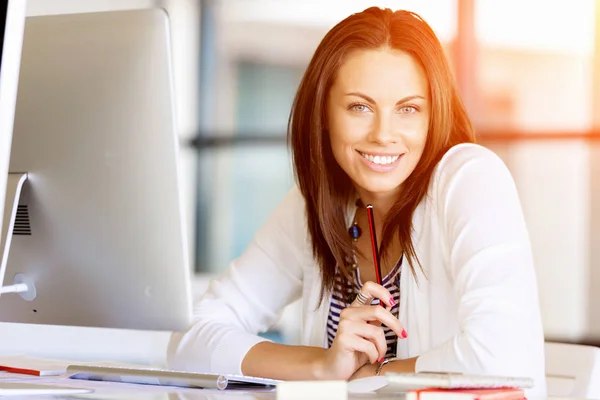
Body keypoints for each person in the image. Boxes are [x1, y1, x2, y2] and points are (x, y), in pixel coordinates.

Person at [167, 6, 546, 395]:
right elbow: (190, 338)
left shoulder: (469, 178)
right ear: (325, 113)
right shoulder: (315, 204)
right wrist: (323, 366)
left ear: (434, 116)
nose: (384, 134)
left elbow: (500, 356)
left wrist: (376, 376)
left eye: (409, 109)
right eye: (360, 107)